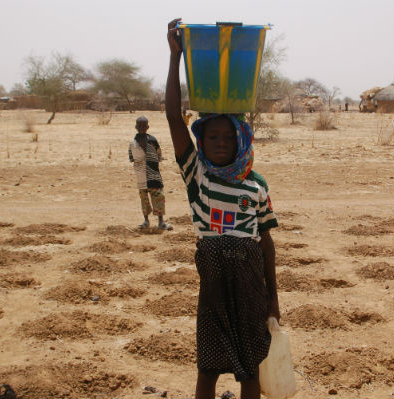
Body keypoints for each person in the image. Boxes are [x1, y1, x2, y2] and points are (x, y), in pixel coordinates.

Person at [166, 18, 280, 399]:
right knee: (208, 368)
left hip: (251, 286)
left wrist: (274, 300)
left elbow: (266, 244)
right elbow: (171, 118)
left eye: (227, 136)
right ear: (200, 140)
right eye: (211, 136)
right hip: (212, 286)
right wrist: (174, 57)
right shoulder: (197, 176)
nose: (218, 142)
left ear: (241, 139)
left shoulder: (256, 184)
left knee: (250, 368)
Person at [128, 116, 172, 230]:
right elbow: (132, 157)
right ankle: (146, 221)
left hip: (154, 175)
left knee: (158, 197)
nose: (142, 128)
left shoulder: (152, 140)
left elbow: (159, 155)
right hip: (141, 176)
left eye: (144, 126)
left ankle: (161, 222)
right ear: (136, 127)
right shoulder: (132, 143)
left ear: (148, 127)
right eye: (139, 126)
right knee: (144, 199)